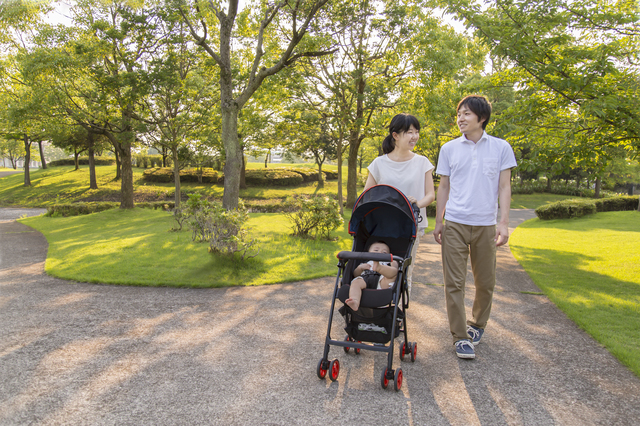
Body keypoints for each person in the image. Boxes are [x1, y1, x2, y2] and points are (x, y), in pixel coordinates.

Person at [433, 95, 517, 360]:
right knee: (453, 283)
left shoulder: (501, 148)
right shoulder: (448, 149)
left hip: (486, 225)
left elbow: (504, 187)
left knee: (486, 282)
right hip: (455, 222)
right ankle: (459, 337)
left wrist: (503, 223)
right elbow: (443, 186)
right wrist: (438, 221)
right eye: (459, 114)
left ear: (482, 118)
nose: (460, 118)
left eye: (466, 114)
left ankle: (477, 325)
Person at [364, 113, 436, 294]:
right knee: (376, 267)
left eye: (416, 132)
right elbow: (367, 194)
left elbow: (430, 195)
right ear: (395, 135)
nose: (415, 137)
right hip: (383, 226)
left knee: (405, 271)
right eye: (409, 132)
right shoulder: (379, 163)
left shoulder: (422, 162)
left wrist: (417, 203)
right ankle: (377, 303)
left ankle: (398, 312)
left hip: (411, 225)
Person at [345, 241, 398, 311]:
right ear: (368, 253)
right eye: (376, 250)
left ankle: (379, 268)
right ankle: (354, 301)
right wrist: (360, 268)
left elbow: (395, 267)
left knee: (393, 274)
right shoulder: (365, 263)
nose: (380, 253)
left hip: (381, 280)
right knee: (356, 282)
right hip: (365, 278)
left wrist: (394, 262)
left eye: (384, 252)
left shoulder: (387, 262)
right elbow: (355, 274)